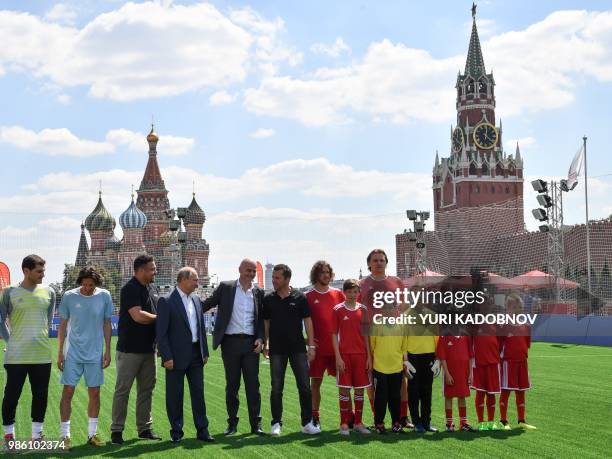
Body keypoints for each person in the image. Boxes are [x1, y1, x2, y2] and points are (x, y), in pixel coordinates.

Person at [202, 259, 265, 436]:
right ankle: (232, 424)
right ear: (239, 270)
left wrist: (261, 338)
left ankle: (256, 425)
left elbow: (261, 319)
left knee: (253, 385)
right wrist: (187, 310)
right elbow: (209, 303)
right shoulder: (226, 287)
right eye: (248, 270)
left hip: (251, 344)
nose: (251, 274)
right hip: (229, 343)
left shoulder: (259, 291)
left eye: (253, 271)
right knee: (232, 386)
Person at [0, 255, 55, 445]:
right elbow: (0, 321)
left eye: (43, 271)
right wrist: (11, 340)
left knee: (40, 395)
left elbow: (48, 321)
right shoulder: (9, 292)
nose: (43, 275)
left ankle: (37, 435)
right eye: (39, 271)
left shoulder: (50, 292)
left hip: (42, 355)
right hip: (16, 356)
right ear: (26, 271)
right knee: (11, 395)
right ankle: (9, 435)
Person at [57, 267, 113, 449]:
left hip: (95, 353)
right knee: (68, 392)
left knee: (95, 393)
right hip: (72, 353)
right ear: (80, 282)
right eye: (85, 284)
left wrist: (108, 351)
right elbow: (63, 325)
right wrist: (59, 352)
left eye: (91, 285)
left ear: (97, 284)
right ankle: (65, 436)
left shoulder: (105, 296)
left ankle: (92, 435)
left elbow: (106, 324)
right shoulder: (69, 296)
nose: (88, 288)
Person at [157, 267, 214, 443]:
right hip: (175, 356)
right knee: (175, 395)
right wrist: (166, 357)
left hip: (196, 354)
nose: (198, 283)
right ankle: (176, 431)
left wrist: (204, 351)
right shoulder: (166, 301)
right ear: (183, 280)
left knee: (199, 393)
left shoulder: (197, 299)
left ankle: (202, 430)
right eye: (195, 280)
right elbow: (161, 333)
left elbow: (201, 329)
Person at [263, 264, 320, 436]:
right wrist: (266, 343)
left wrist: (311, 346)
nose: (274, 280)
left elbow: (308, 322)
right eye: (273, 277)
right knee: (276, 387)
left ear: (287, 279)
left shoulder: (300, 297)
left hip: (297, 349)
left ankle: (307, 423)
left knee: (304, 386)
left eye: (277, 278)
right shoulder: (269, 299)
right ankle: (275, 423)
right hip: (277, 350)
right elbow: (266, 323)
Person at [110, 254, 161, 444]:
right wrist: (161, 317)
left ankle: (144, 429)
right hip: (130, 350)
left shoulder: (153, 288)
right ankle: (116, 431)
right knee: (123, 391)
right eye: (152, 269)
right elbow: (138, 316)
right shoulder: (129, 288)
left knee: (146, 390)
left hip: (149, 350)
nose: (155, 271)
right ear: (140, 270)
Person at [358, 249, 407, 425]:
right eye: (375, 260)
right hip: (369, 336)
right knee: (372, 379)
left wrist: (399, 312)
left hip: (393, 335)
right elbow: (356, 309)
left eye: (382, 260)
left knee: (401, 380)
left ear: (386, 262)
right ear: (369, 263)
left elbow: (405, 304)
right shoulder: (361, 283)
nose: (379, 262)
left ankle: (402, 417)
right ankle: (376, 417)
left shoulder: (396, 282)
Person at [305, 260, 345, 428]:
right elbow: (302, 322)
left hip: (338, 348)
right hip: (318, 349)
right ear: (316, 274)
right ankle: (315, 416)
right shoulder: (307, 296)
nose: (326, 275)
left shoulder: (338, 294)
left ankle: (347, 417)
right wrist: (308, 341)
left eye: (328, 272)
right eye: (322, 272)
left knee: (344, 383)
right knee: (315, 383)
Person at [331, 279, 371, 436]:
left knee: (360, 391)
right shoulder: (337, 310)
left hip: (361, 356)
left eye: (355, 292)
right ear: (344, 292)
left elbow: (366, 335)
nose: (352, 295)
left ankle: (359, 423)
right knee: (344, 390)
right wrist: (338, 357)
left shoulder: (364, 309)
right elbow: (334, 335)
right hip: (344, 356)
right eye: (349, 291)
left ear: (358, 293)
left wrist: (369, 357)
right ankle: (344, 423)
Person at [499, 293, 536, 430]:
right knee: (506, 391)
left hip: (522, 363)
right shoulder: (502, 326)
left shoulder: (526, 326)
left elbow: (527, 345)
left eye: (520, 307)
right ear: (507, 308)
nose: (518, 309)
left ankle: (521, 420)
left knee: (521, 391)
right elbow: (498, 346)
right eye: (515, 307)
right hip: (508, 363)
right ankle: (503, 421)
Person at [436, 333, 475, 432]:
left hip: (464, 372)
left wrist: (471, 373)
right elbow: (442, 357)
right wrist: (447, 374)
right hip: (450, 373)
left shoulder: (466, 336)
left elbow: (470, 356)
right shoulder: (444, 336)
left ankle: (463, 423)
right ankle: (449, 424)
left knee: (462, 396)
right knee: (449, 396)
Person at [471, 322, 502, 431]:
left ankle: (491, 422)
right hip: (479, 364)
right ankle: (481, 422)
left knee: (491, 393)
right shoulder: (473, 324)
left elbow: (500, 342)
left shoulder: (495, 324)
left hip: (493, 364)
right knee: (480, 393)